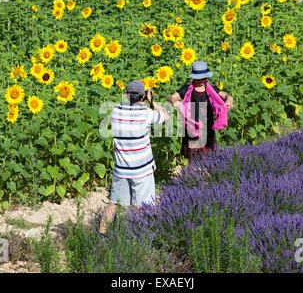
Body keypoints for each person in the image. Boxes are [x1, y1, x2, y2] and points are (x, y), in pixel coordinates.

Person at [99, 80, 170, 234]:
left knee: (113, 204)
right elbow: (166, 117)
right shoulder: (146, 114)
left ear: (126, 94)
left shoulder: (115, 110)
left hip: (121, 170)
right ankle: (138, 238)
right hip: (141, 171)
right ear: (143, 96)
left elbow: (127, 106)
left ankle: (101, 235)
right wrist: (152, 102)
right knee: (141, 207)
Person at [167, 61, 234, 160]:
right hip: (191, 131)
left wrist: (228, 101)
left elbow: (227, 96)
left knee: (209, 160)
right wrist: (174, 102)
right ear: (193, 77)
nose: (201, 80)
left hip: (207, 131)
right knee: (192, 162)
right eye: (198, 78)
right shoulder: (186, 89)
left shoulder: (211, 90)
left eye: (203, 78)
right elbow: (170, 98)